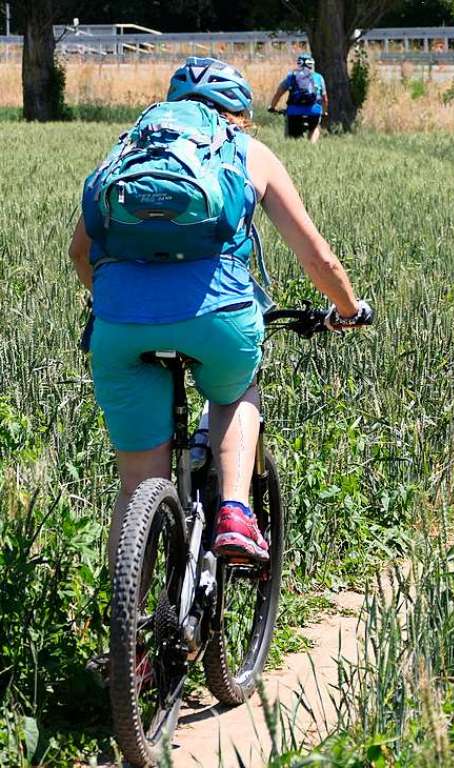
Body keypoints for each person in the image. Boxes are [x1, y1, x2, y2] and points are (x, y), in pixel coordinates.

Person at [69, 57, 370, 571]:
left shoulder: (127, 151)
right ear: (241, 112)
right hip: (218, 319)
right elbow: (317, 257)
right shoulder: (250, 152)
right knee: (236, 391)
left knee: (137, 483)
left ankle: (129, 639)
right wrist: (349, 309)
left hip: (119, 327)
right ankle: (234, 511)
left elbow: (79, 251)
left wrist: (120, 305)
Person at [269, 53, 328, 142]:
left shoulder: (291, 77)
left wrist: (272, 107)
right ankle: (312, 145)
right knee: (315, 127)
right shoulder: (318, 77)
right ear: (312, 64)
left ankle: (289, 144)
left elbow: (278, 94)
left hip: (294, 111)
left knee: (290, 131)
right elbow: (325, 98)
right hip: (314, 111)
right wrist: (324, 111)